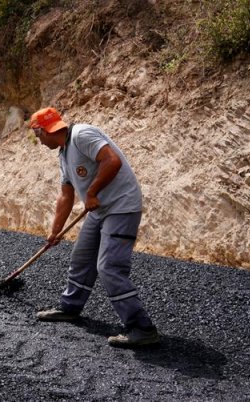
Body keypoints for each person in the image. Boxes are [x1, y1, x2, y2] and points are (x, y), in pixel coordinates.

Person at [29, 107, 159, 347]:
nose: (39, 141)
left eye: (37, 135)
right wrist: (55, 231)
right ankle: (70, 307)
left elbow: (112, 160)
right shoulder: (63, 154)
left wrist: (91, 192)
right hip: (100, 211)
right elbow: (66, 195)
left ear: (44, 130)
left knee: (109, 267)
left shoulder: (82, 135)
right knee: (81, 259)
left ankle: (142, 328)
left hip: (121, 206)